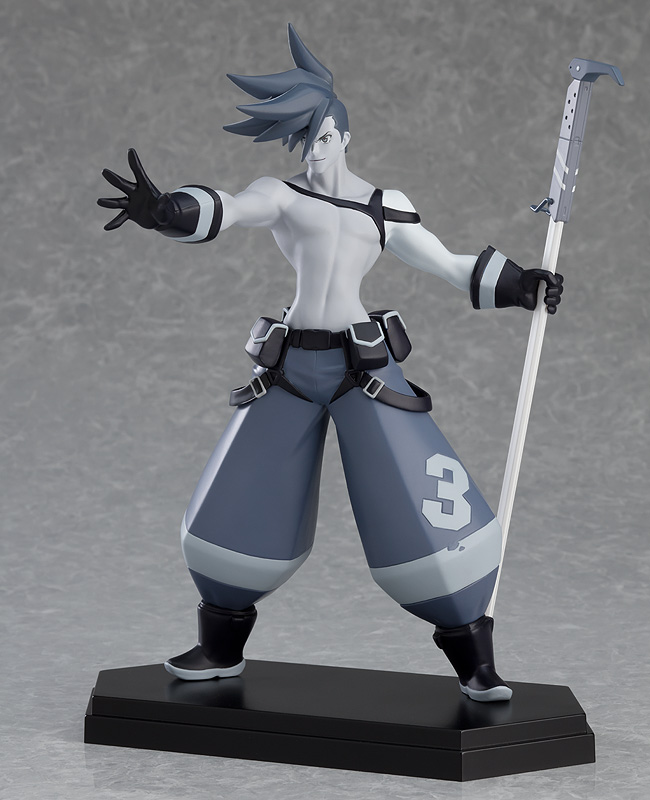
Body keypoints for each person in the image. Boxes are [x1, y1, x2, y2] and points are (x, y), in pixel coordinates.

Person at [98, 24, 562, 702]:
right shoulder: (284, 195)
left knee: (425, 508)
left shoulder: (385, 208)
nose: (311, 154)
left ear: (343, 135)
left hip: (363, 369)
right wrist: (167, 210)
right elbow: (230, 208)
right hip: (288, 368)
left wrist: (522, 285)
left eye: (319, 138)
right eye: (300, 142)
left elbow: (447, 263)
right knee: (234, 508)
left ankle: (475, 664)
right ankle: (219, 647)